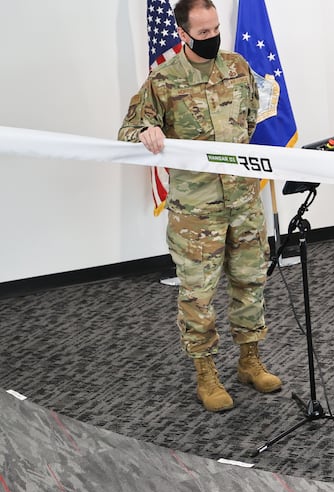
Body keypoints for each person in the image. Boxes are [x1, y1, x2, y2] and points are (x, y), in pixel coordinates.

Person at [118, 0, 281, 412]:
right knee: (198, 295)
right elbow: (128, 129)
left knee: (250, 283)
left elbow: (247, 123)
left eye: (215, 30)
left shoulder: (238, 68)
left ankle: (250, 360)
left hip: (243, 201)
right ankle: (206, 373)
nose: (212, 38)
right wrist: (147, 129)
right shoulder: (165, 79)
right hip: (197, 212)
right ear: (184, 35)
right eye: (203, 33)